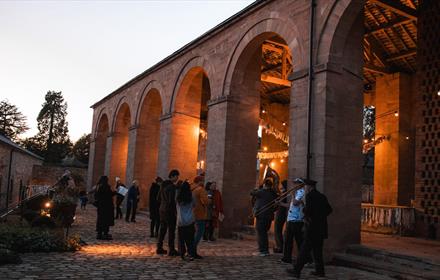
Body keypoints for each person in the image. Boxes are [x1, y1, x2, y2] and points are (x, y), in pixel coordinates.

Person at [287, 178, 333, 278]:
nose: (305, 188)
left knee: (304, 250)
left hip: (312, 228)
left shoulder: (310, 196)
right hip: (321, 228)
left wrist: (305, 211)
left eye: (306, 186)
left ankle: (296, 270)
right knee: (317, 251)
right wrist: (320, 217)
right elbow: (329, 210)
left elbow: (308, 211)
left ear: (309, 186)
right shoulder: (322, 196)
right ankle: (320, 271)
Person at [281, 180, 308, 264]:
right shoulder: (297, 192)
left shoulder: (301, 192)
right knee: (288, 240)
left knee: (299, 240)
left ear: (300, 184)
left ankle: (305, 259)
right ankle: (286, 258)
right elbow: (292, 205)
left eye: (296, 184)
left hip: (297, 220)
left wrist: (292, 194)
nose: (294, 185)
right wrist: (280, 204)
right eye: (294, 183)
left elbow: (296, 203)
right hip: (291, 219)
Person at [250, 177, 278, 257]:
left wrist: (257, 188)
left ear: (265, 185)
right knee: (264, 233)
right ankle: (264, 250)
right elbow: (276, 206)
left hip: (262, 215)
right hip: (269, 216)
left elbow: (251, 192)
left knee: (261, 233)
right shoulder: (274, 193)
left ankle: (263, 251)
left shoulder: (262, 192)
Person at [157, 169, 180, 256]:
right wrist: (175, 211)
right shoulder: (172, 187)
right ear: (173, 176)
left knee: (162, 229)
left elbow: (158, 198)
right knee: (171, 230)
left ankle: (159, 247)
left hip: (162, 210)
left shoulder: (162, 185)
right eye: (177, 176)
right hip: (169, 211)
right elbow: (172, 201)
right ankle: (171, 249)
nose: (177, 178)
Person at [176, 181, 195, 261]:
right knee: (190, 239)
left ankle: (182, 253)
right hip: (190, 220)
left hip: (180, 220)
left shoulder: (178, 197)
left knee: (181, 239)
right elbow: (194, 205)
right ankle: (190, 253)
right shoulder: (191, 197)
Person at [191, 175, 209, 259]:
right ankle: (192, 250)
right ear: (200, 181)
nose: (204, 182)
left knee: (194, 232)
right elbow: (205, 201)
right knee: (199, 232)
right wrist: (210, 200)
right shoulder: (200, 189)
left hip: (192, 213)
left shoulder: (192, 189)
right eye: (203, 180)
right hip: (200, 213)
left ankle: (191, 249)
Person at [94, 176, 116, 240]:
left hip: (100, 207)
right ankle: (105, 233)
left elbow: (97, 196)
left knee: (100, 219)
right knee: (106, 220)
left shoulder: (98, 186)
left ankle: (99, 233)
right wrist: (115, 192)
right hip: (106, 207)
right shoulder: (105, 186)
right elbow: (109, 195)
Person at [273, 180, 289, 253]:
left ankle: (280, 247)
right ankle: (280, 246)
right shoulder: (284, 193)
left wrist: (279, 202)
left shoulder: (286, 194)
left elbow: (284, 204)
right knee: (277, 231)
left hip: (281, 214)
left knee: (277, 230)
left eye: (281, 185)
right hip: (280, 213)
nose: (280, 186)